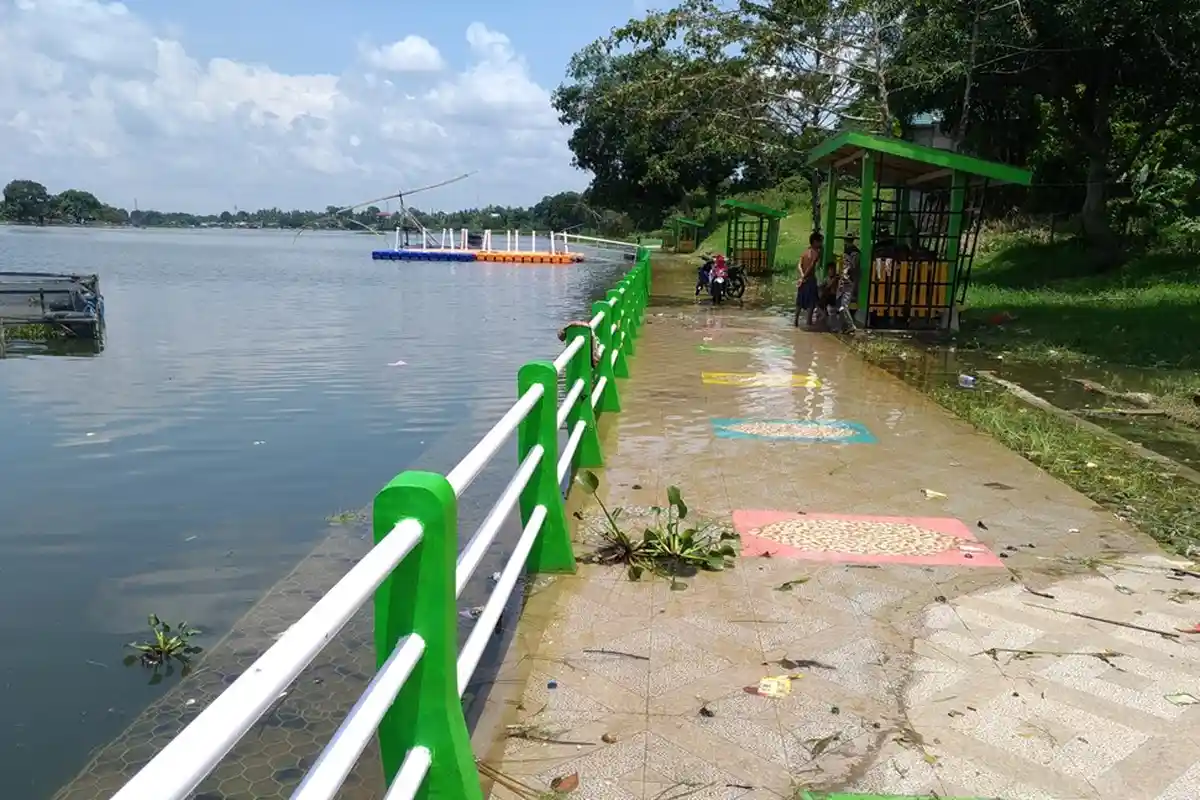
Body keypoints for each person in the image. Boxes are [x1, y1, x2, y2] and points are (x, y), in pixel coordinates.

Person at [794, 232, 822, 328]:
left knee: (799, 302)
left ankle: (795, 322)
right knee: (811, 303)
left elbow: (799, 265)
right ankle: (808, 323)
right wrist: (804, 277)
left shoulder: (805, 252)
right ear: (815, 242)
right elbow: (811, 266)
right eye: (820, 242)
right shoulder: (816, 253)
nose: (821, 244)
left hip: (803, 280)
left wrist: (801, 276)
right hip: (809, 280)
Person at [835, 234, 861, 333]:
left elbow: (852, 268)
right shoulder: (854, 253)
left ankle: (850, 325)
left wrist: (845, 273)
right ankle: (844, 325)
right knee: (841, 304)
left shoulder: (853, 253)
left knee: (843, 305)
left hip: (848, 281)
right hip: (846, 281)